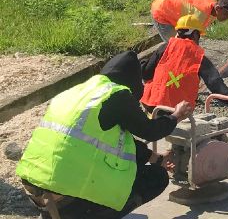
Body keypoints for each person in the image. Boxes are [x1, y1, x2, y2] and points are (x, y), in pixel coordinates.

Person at [16, 51, 192, 219]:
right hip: (66, 197)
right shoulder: (116, 95)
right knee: (155, 178)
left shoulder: (78, 93)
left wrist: (158, 159)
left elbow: (111, 143)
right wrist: (176, 116)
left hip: (36, 191)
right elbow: (150, 131)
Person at [141, 14, 228, 110]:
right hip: (177, 110)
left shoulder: (164, 48)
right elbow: (215, 84)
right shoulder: (198, 56)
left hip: (152, 104)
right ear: (195, 34)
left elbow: (146, 73)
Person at [150, 0, 228, 42]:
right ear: (218, 8)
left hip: (173, 11)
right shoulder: (200, 14)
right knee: (175, 44)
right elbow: (186, 35)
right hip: (161, 11)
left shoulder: (213, 9)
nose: (226, 18)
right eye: (226, 14)